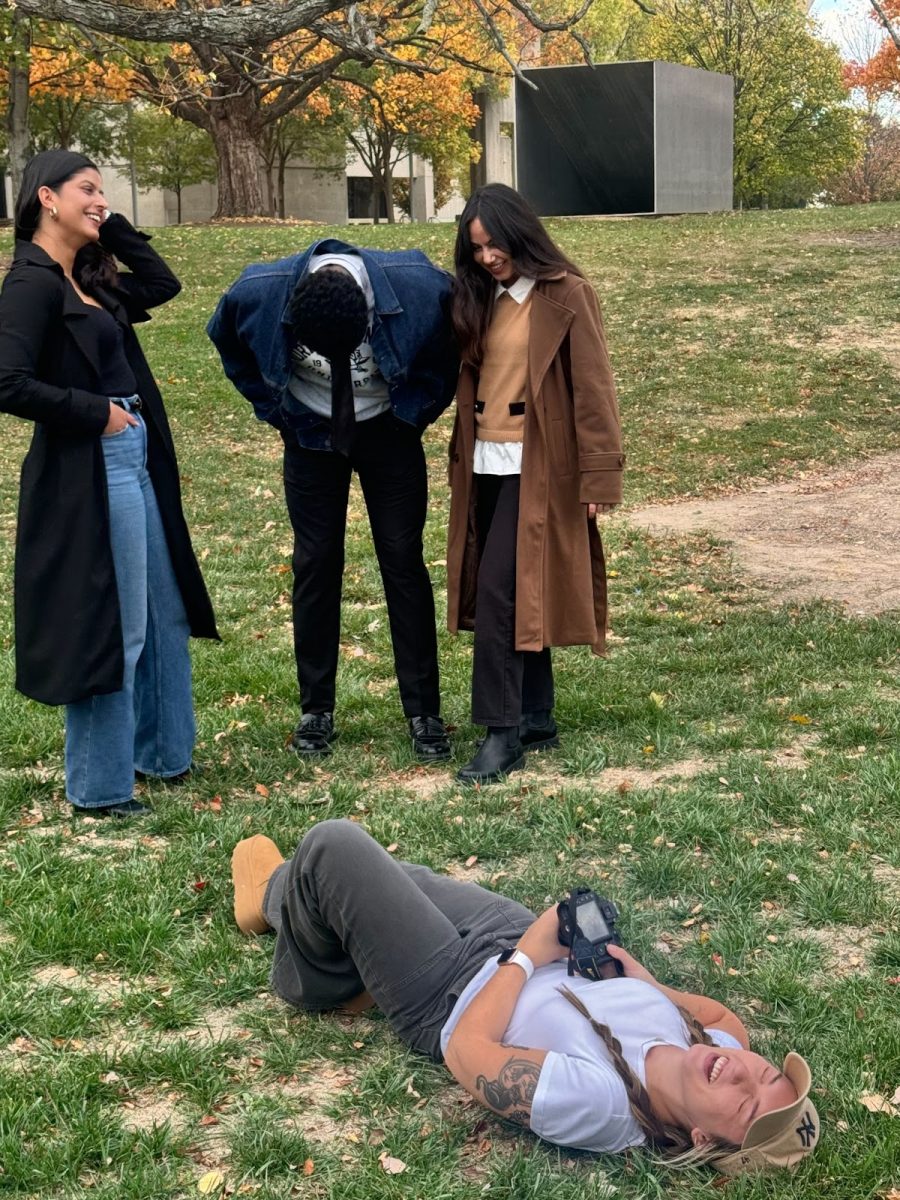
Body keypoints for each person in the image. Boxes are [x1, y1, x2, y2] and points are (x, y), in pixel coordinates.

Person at [230, 819, 820, 1174]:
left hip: (451, 991)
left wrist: (527, 956)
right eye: (764, 1072)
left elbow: (466, 1051)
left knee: (333, 851)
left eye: (746, 1106)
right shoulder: (716, 1047)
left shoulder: (601, 1105)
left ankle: (300, 952)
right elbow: (723, 1017)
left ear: (701, 1141)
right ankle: (352, 957)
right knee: (396, 876)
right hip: (521, 945)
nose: (742, 1072)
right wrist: (632, 973)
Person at [0, 150, 218, 818]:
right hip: (93, 464)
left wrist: (109, 223)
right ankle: (99, 788)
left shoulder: (89, 275)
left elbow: (163, 283)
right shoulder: (32, 283)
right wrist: (99, 415)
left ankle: (163, 754)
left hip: (137, 455)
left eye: (104, 189)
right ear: (46, 198)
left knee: (165, 610)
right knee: (112, 621)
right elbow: (7, 382)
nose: (101, 198)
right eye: (87, 189)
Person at [207, 240, 459, 762]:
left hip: (389, 430)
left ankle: (424, 712)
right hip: (309, 432)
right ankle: (315, 709)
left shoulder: (419, 286)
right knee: (315, 561)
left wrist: (415, 413)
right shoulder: (258, 291)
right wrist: (276, 410)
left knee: (403, 560)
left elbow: (450, 351)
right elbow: (227, 342)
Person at [446, 184, 625, 784]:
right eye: (476, 248)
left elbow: (594, 390)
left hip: (541, 466)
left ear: (521, 235)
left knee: (500, 592)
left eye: (495, 244)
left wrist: (600, 473)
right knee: (517, 586)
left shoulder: (567, 295)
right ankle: (536, 715)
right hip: (483, 464)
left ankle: (502, 735)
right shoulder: (477, 297)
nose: (489, 257)